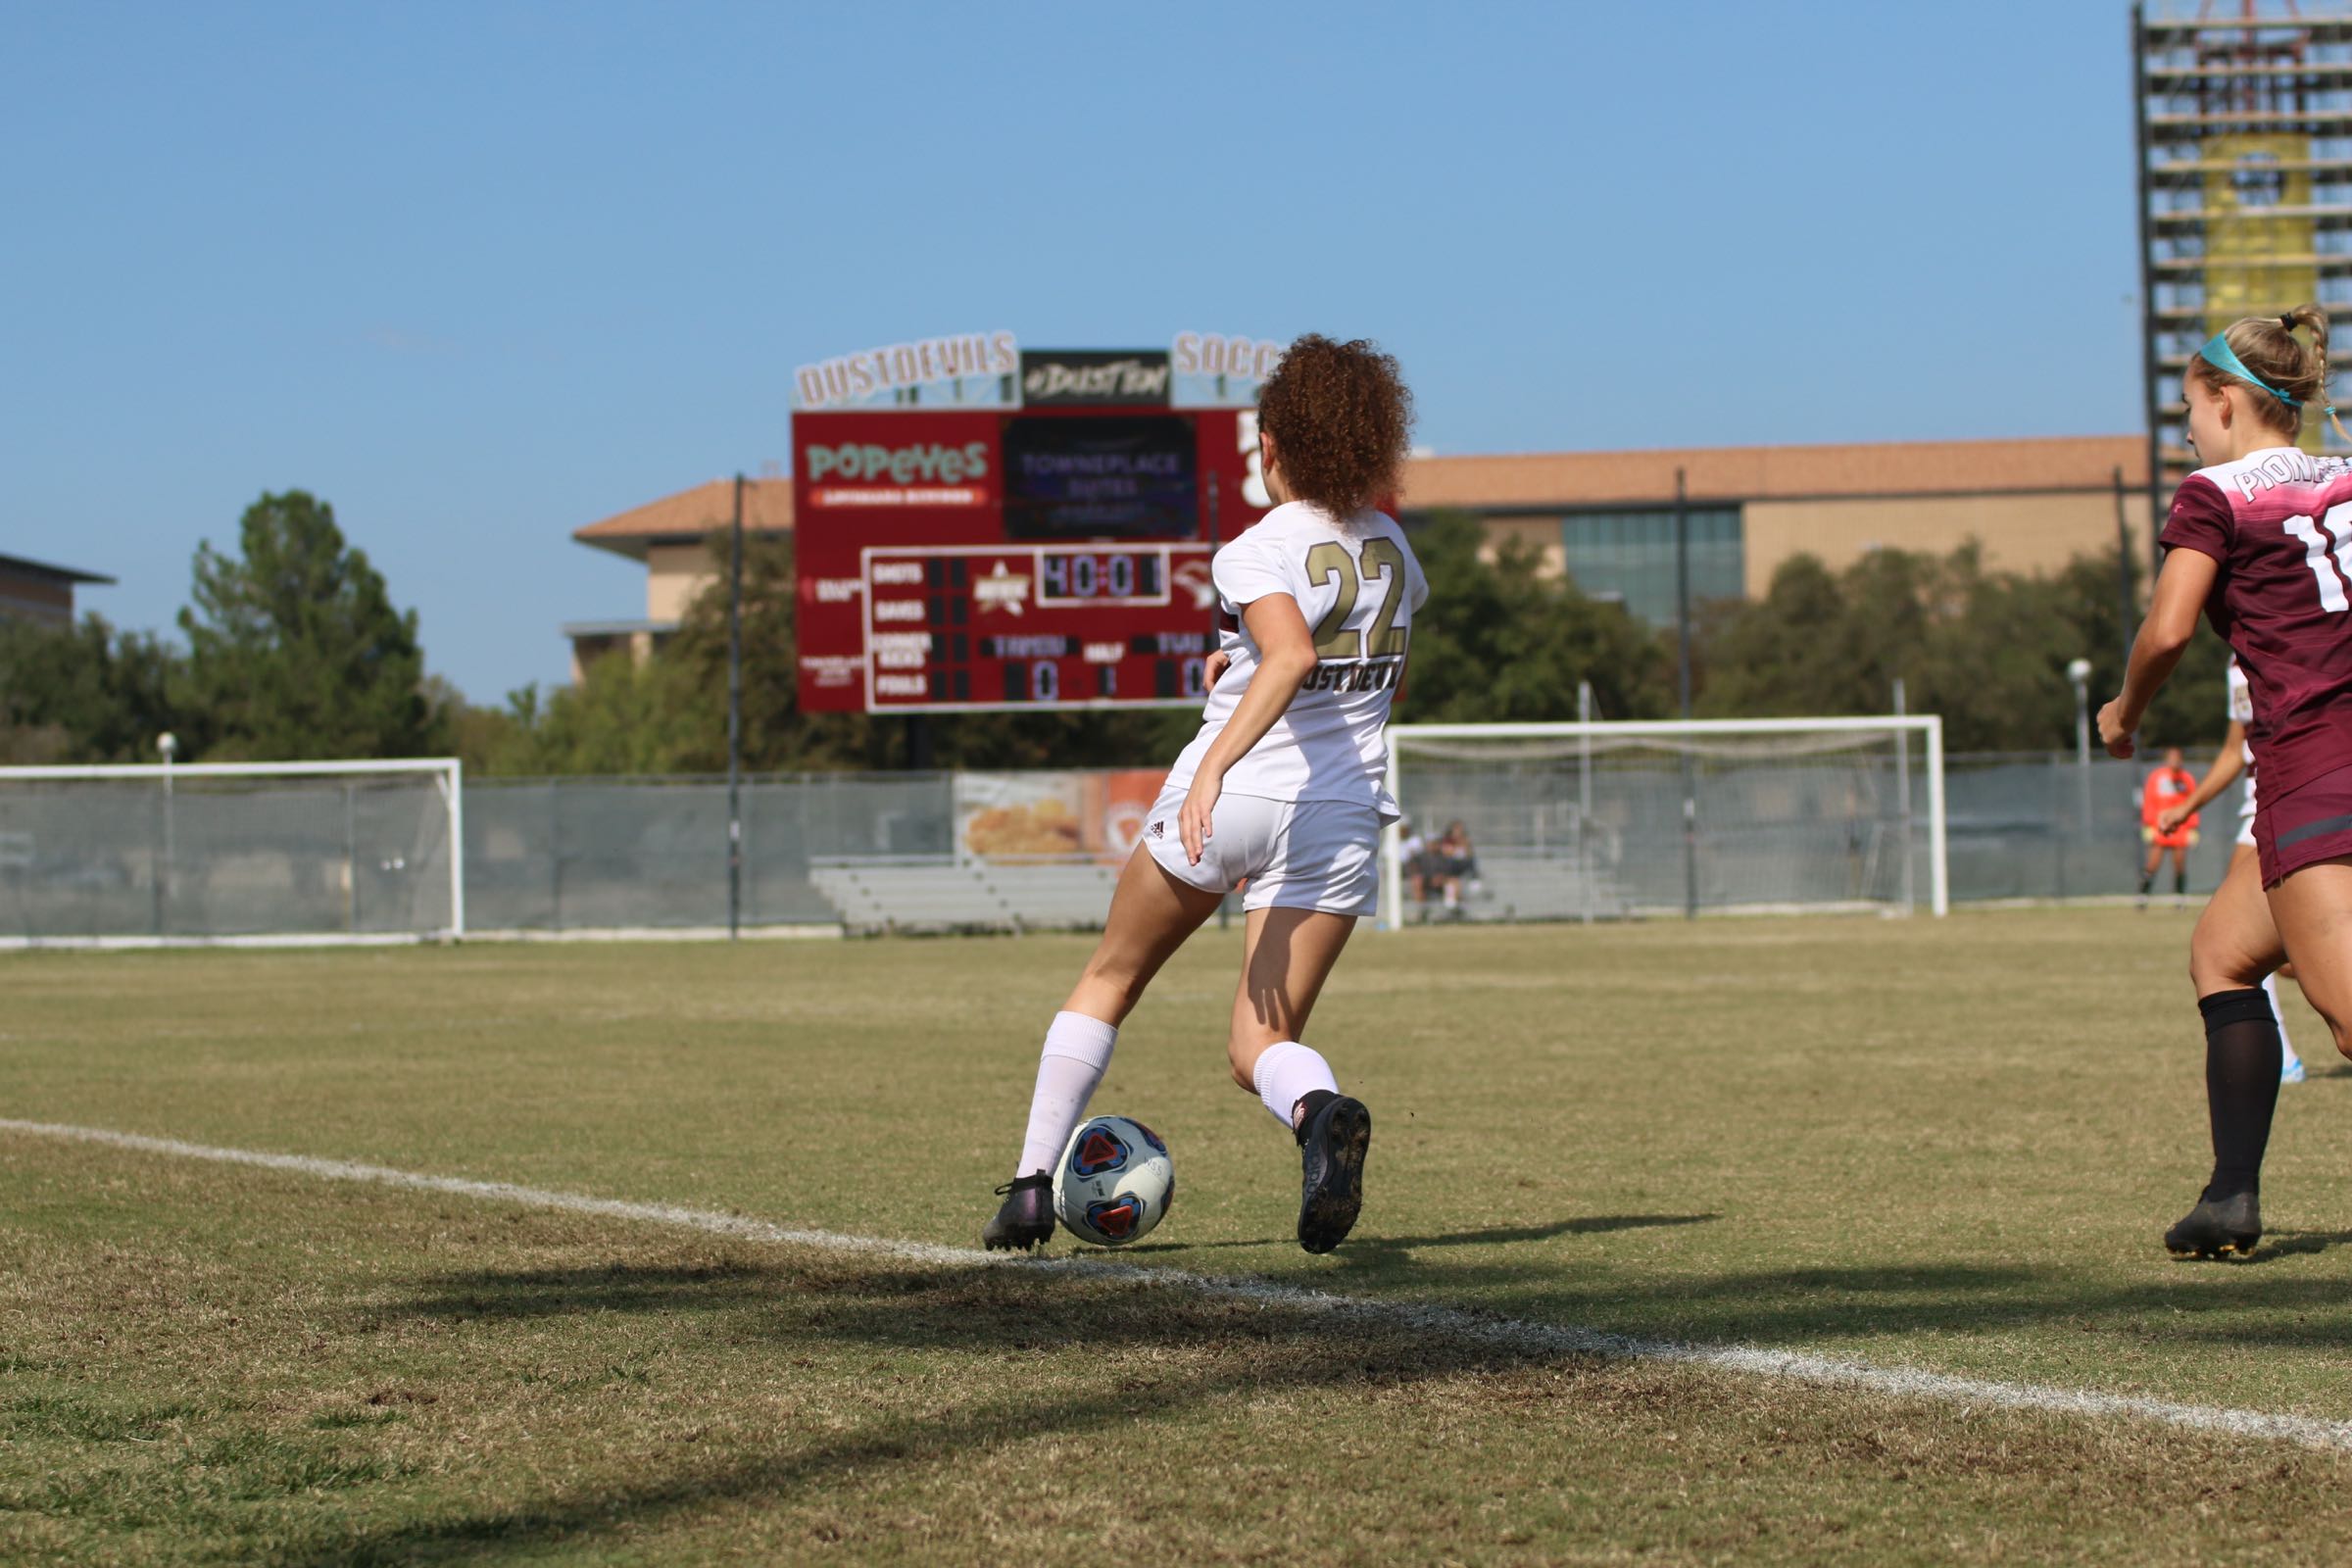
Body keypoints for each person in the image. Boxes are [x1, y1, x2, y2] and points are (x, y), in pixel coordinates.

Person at [980, 335, 1426, 1256]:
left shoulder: (1253, 549)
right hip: (1341, 816)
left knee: (1111, 976)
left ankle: (1028, 1187)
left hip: (1232, 801)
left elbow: (1295, 652)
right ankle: (1317, 1112)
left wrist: (1217, 762)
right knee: (1257, 1045)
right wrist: (1247, 662)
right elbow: (1371, 679)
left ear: (1273, 444)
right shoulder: (1394, 550)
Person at [2097, 301, 2352, 1259]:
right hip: (2329, 757)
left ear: (2231, 405)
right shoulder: (2344, 476)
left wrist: (2123, 715)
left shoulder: (2215, 494)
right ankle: (2229, 1196)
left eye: (2191, 409)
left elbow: (2166, 631)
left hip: (2317, 762)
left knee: (2348, 1019)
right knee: (2223, 954)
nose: (2189, 429)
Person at [2156, 659, 2308, 1085]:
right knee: (2262, 952)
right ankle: (2284, 1060)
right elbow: (2233, 751)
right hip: (2257, 809)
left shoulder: (2301, 626)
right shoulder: (2234, 665)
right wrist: (2187, 807)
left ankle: (2283, 1061)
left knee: (2238, 946)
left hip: (2301, 799)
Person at [2138, 747, 2199, 908]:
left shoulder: (2187, 779)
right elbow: (2149, 802)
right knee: (2152, 863)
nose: (2174, 761)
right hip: (2160, 826)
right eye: (2171, 757)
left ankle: (2179, 899)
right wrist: (2148, 824)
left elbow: (2193, 803)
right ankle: (2142, 897)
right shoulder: (2157, 778)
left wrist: (2192, 827)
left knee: (2179, 863)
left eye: (2177, 758)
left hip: (2180, 827)